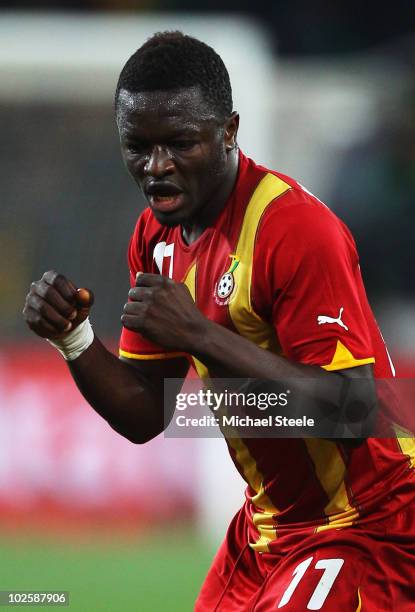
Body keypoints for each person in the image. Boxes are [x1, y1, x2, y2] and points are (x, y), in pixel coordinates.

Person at [23, 32, 415, 611]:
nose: (156, 167)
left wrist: (200, 334)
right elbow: (142, 412)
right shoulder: (156, 238)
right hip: (266, 532)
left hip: (369, 525)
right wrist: (73, 338)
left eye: (180, 144)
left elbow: (355, 410)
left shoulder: (295, 230)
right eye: (138, 146)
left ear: (228, 131)